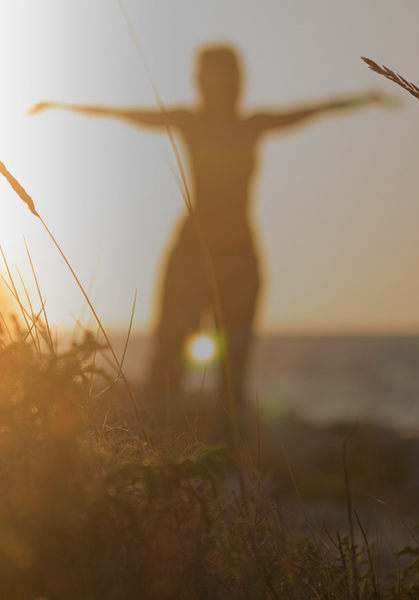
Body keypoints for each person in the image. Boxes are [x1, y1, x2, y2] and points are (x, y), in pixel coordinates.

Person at [31, 44, 389, 425]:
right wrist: (62, 106)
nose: (219, 86)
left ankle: (227, 456)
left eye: (227, 77)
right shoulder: (189, 121)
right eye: (210, 77)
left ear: (238, 82)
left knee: (234, 368)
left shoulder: (253, 124)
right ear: (200, 82)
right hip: (190, 258)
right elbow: (129, 114)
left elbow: (310, 111)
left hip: (239, 262)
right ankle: (153, 451)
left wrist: (366, 99)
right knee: (168, 359)